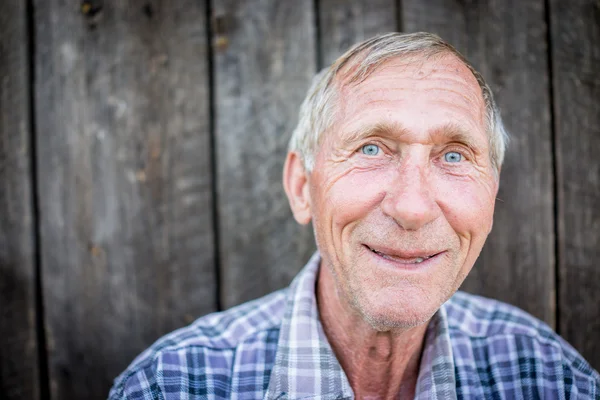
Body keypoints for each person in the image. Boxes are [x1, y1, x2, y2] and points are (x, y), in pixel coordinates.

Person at [109, 32, 599, 399]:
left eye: (453, 155)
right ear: (302, 187)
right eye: (371, 148)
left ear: (491, 197)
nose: (412, 207)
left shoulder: (549, 377)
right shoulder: (171, 385)